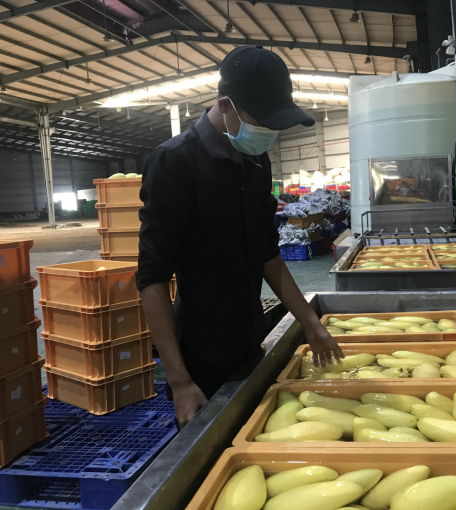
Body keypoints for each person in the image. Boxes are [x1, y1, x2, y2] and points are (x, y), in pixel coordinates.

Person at [136, 46, 344, 429]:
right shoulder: (175, 163)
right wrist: (180, 382)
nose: (269, 132)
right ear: (225, 105)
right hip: (202, 356)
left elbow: (267, 254)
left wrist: (311, 324)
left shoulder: (255, 162)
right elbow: (152, 277)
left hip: (251, 338)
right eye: (260, 119)